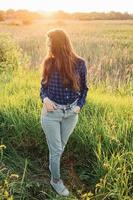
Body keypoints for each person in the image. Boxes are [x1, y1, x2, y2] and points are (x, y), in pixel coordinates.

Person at [40, 28, 89, 197]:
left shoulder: (80, 63)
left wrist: (79, 106)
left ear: (59, 44)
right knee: (56, 150)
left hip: (71, 114)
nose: (48, 44)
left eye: (50, 41)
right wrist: (45, 99)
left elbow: (84, 89)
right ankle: (55, 180)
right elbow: (43, 88)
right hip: (51, 114)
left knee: (59, 149)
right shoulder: (48, 63)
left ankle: (53, 165)